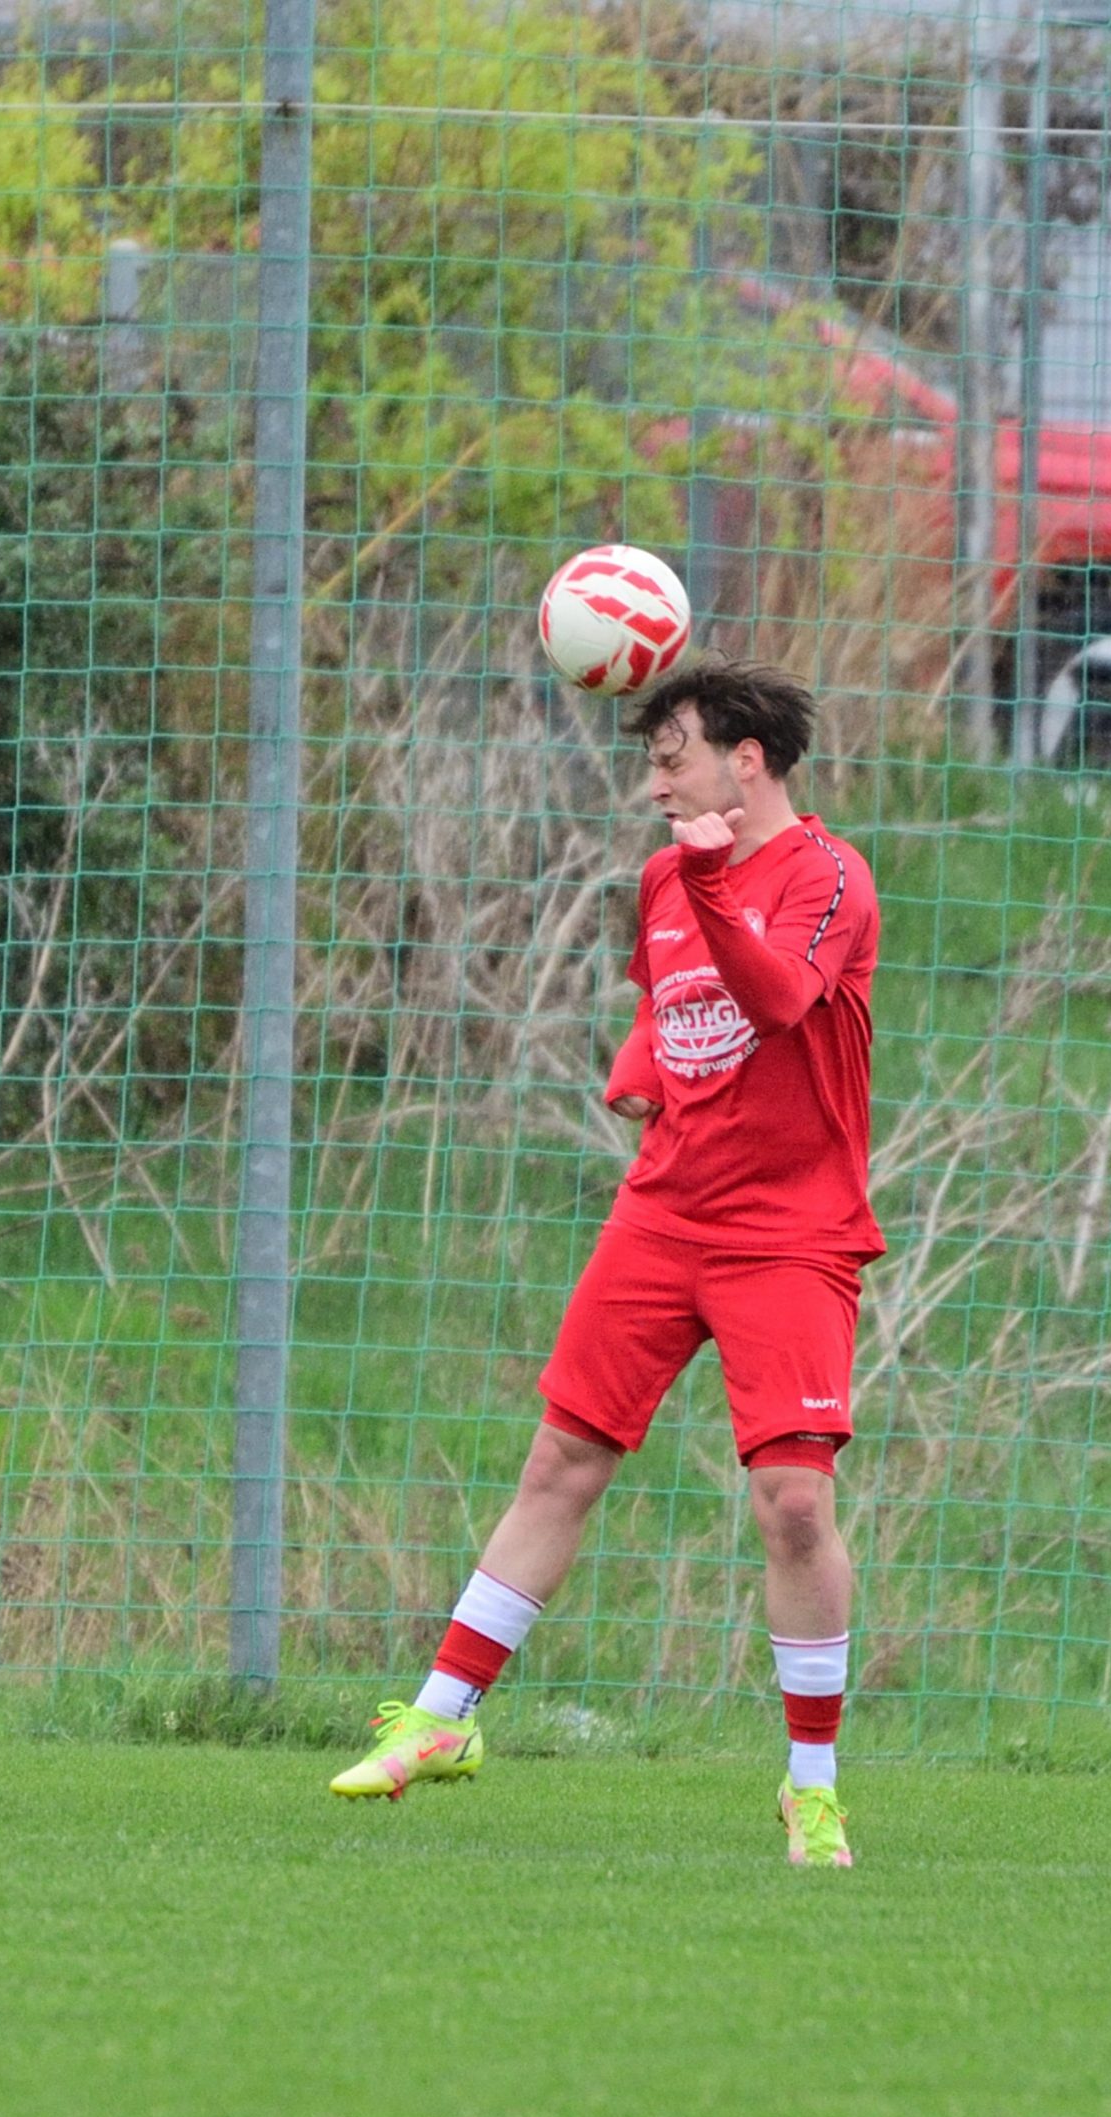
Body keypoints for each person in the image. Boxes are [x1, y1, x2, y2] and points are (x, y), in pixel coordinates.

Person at [329, 661, 882, 1867]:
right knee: (561, 1460)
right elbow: (663, 998)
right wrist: (638, 1065)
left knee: (794, 1506)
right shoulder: (663, 879)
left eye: (672, 757)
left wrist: (709, 882)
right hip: (661, 1216)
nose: (654, 783)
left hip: (790, 1232)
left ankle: (811, 1789)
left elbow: (777, 999)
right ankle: (440, 1717)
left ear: (746, 759)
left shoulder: (827, 876)